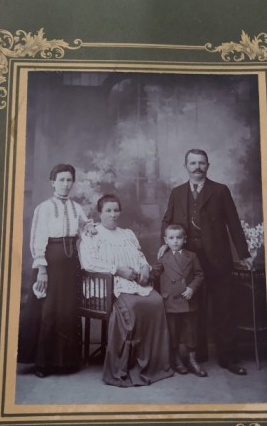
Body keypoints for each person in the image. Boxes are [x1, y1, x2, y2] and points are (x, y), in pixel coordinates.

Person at [161, 149, 252, 375]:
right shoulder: (177, 193)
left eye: (201, 163)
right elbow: (167, 221)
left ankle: (228, 358)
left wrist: (244, 254)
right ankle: (198, 355)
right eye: (193, 163)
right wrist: (164, 244)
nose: (197, 167)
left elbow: (233, 223)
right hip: (189, 261)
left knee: (224, 308)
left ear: (208, 166)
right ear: (186, 166)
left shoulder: (220, 190)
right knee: (194, 309)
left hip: (218, 259)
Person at [79, 194, 173, 388]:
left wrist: (145, 267)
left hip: (133, 281)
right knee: (133, 307)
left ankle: (153, 364)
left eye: (116, 210)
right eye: (108, 211)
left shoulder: (127, 234)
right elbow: (89, 263)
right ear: (99, 213)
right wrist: (118, 270)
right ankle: (126, 365)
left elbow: (139, 256)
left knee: (156, 302)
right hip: (108, 285)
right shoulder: (92, 234)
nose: (113, 215)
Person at [18, 163, 91, 378]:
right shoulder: (44, 208)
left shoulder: (77, 207)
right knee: (49, 309)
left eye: (69, 180)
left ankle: (66, 362)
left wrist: (90, 228)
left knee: (67, 309)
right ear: (53, 182)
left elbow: (85, 227)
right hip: (50, 264)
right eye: (61, 180)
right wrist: (42, 269)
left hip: (71, 265)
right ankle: (44, 363)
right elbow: (37, 239)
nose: (66, 184)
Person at [155, 224, 206, 377]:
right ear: (166, 240)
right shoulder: (163, 257)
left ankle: (192, 360)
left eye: (179, 237)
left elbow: (199, 275)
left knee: (191, 332)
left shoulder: (192, 256)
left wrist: (191, 288)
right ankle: (175, 359)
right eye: (171, 238)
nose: (175, 241)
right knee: (173, 332)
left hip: (188, 300)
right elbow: (155, 273)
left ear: (185, 239)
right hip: (171, 301)